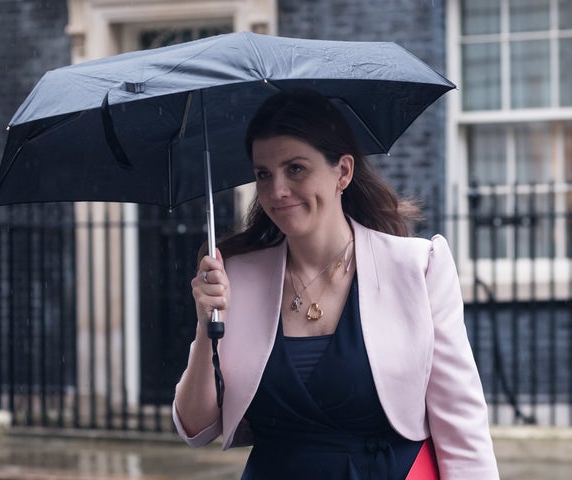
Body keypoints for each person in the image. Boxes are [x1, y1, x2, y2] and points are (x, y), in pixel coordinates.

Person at [172, 89, 500, 479]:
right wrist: (206, 328)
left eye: (295, 169)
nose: (277, 191)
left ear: (342, 172)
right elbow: (195, 428)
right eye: (263, 174)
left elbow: (462, 429)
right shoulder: (234, 277)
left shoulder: (418, 267)